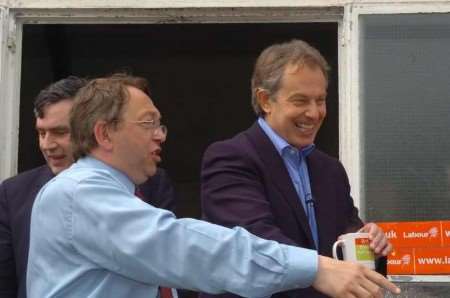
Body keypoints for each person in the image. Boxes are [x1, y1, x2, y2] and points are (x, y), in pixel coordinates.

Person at [26, 73, 400, 298]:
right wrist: (315, 268)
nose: (160, 137)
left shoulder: (103, 193)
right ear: (104, 134)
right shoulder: (81, 195)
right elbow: (186, 247)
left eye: (161, 126)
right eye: (148, 124)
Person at [200, 39, 393, 298]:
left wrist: (369, 243)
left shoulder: (330, 170)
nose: (314, 113)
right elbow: (258, 244)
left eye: (321, 100)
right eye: (300, 101)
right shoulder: (230, 159)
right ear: (266, 100)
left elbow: (346, 238)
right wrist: (324, 271)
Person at [0, 76, 177, 298]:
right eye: (41, 133)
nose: (47, 145)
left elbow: (171, 259)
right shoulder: (14, 192)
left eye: (60, 132)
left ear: (93, 128)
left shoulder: (152, 181)